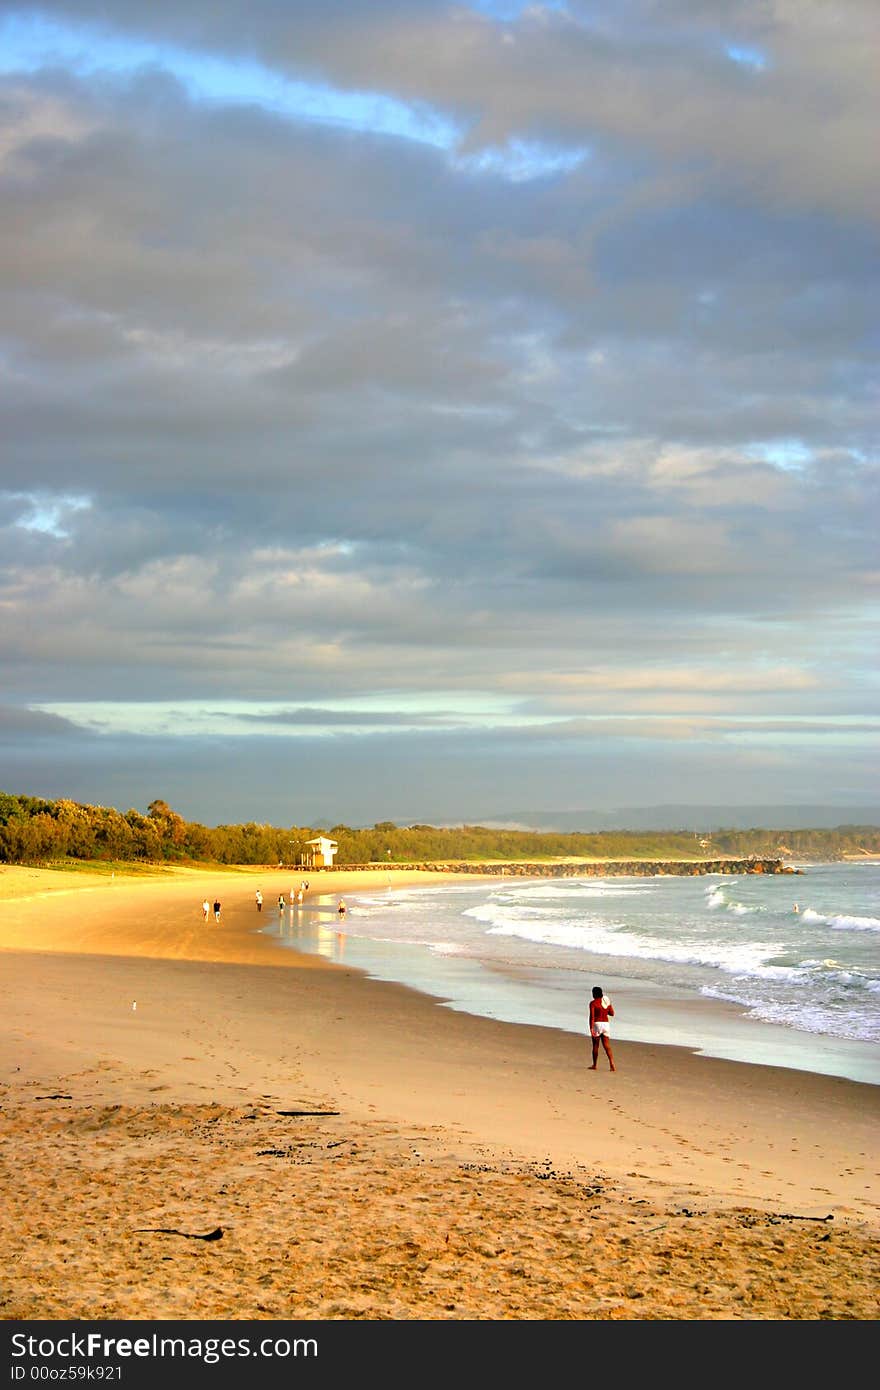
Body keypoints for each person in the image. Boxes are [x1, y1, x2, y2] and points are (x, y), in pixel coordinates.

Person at [588, 986, 615, 1071]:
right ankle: (612, 1063)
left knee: (596, 1046)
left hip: (597, 1024)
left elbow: (592, 1017)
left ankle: (594, 1065)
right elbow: (612, 1013)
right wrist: (605, 1010)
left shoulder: (593, 1003)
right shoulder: (606, 1001)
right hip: (606, 1024)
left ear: (594, 994)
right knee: (607, 1046)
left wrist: (591, 1028)